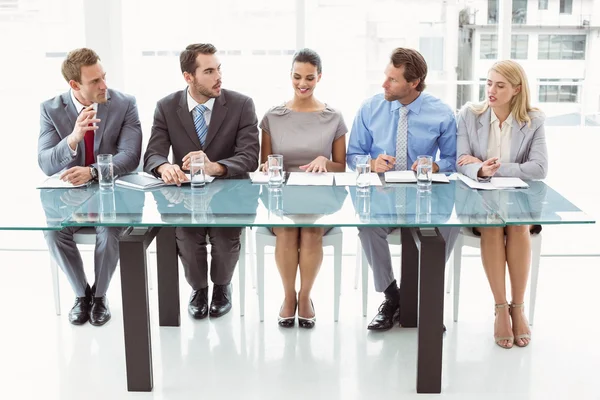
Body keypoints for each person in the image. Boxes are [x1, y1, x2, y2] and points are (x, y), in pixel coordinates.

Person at [346, 47, 459, 331]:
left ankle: (421, 294)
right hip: (382, 195)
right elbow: (351, 156)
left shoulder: (441, 113)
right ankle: (393, 296)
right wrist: (371, 163)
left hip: (423, 197)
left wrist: (433, 166)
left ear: (414, 83)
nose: (384, 84)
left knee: (450, 226)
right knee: (367, 227)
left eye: (393, 80)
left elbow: (452, 160)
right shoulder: (370, 108)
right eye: (386, 76)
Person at [144, 43, 259, 320]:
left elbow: (250, 156)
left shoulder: (242, 104)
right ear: (189, 77)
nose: (218, 76)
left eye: (219, 69)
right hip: (185, 196)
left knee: (223, 236)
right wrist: (164, 166)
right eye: (209, 71)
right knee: (186, 234)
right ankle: (198, 289)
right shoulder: (167, 107)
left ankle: (221, 287)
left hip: (230, 193)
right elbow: (153, 153)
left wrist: (215, 166)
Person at [38, 48, 142, 326]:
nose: (104, 85)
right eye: (95, 81)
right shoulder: (50, 109)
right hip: (70, 199)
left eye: (103, 76)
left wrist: (93, 172)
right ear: (74, 85)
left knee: (108, 231)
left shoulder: (124, 104)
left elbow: (131, 156)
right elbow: (46, 163)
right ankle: (81, 294)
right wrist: (73, 138)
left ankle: (100, 296)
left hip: (112, 195)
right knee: (52, 234)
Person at [456, 60, 548, 348]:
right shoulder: (469, 115)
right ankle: (500, 309)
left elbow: (540, 169)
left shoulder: (533, 120)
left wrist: (492, 166)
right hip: (479, 198)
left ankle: (517, 307)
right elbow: (460, 162)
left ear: (516, 89)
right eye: (488, 83)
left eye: (500, 85)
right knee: (494, 227)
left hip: (519, 201)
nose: (491, 90)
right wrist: (480, 171)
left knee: (517, 224)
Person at [259, 48, 347, 328]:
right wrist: (265, 167)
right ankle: (288, 298)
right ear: (290, 76)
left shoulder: (333, 117)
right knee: (286, 231)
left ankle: (306, 297)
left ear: (319, 77)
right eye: (297, 77)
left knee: (309, 231)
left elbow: (342, 166)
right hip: (280, 195)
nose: (303, 83)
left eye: (309, 77)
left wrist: (325, 160)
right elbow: (265, 163)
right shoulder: (273, 116)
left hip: (318, 197)